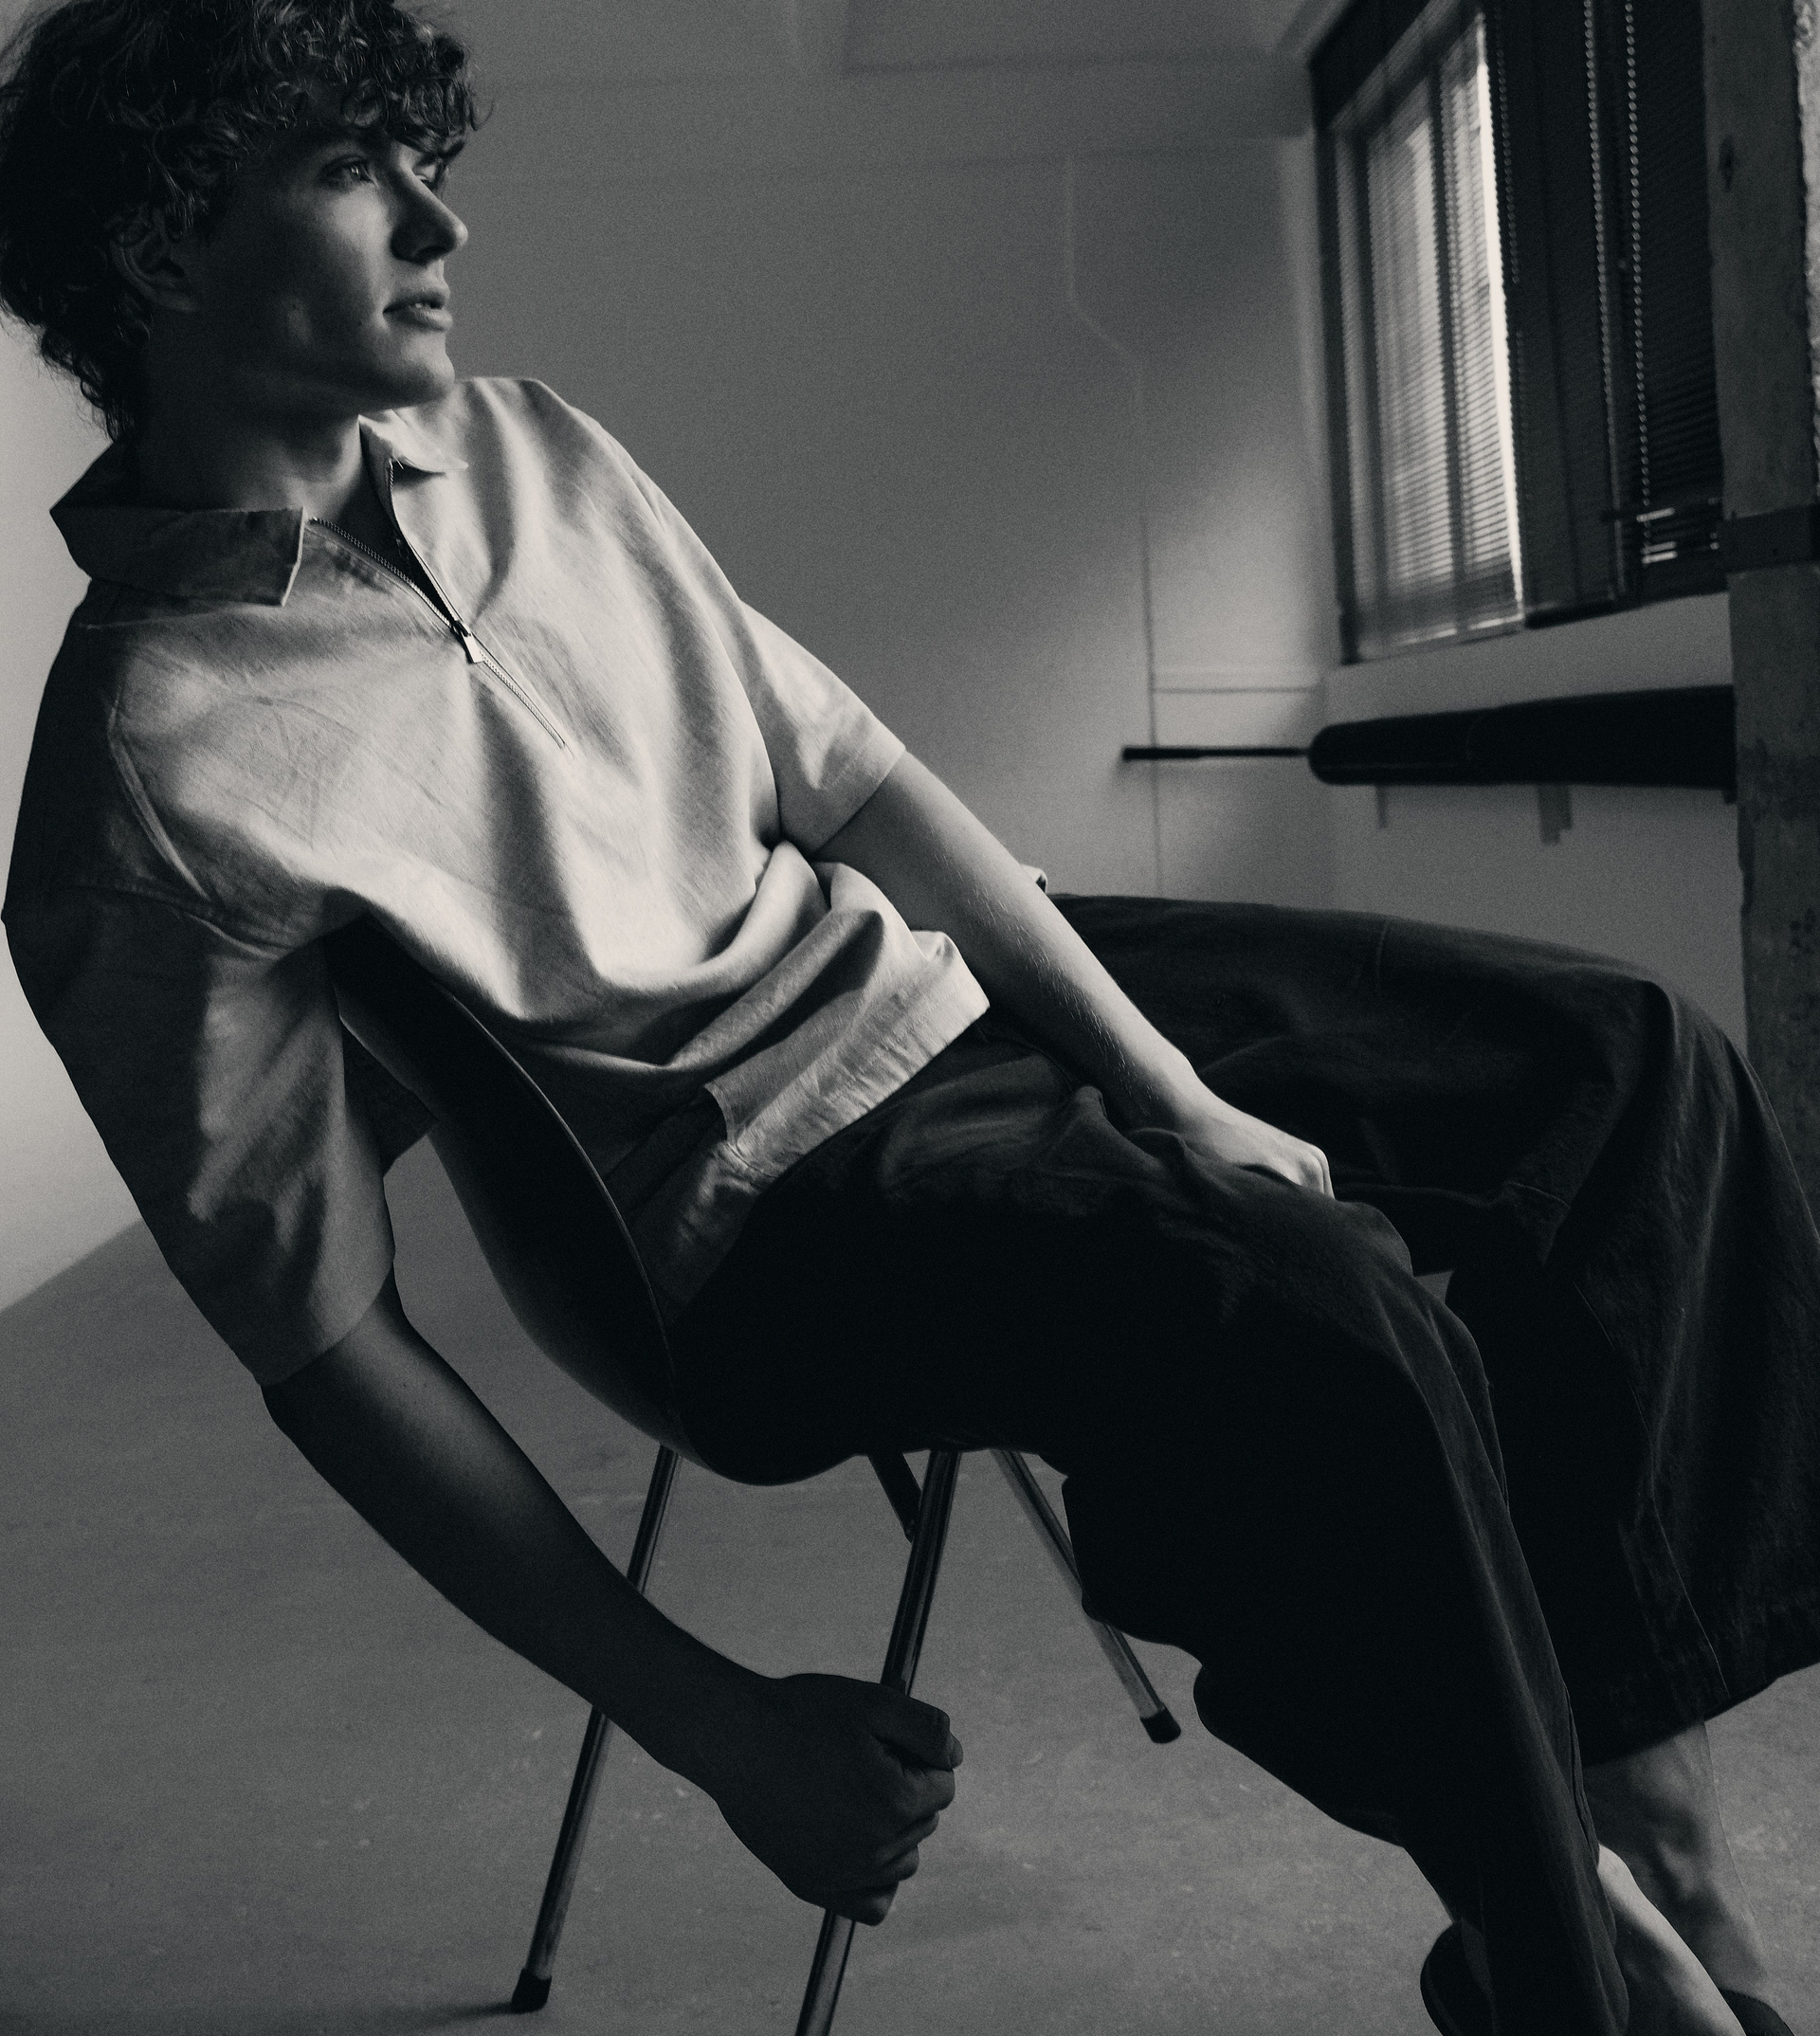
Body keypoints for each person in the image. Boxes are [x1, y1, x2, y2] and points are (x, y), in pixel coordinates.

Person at [0, 4, 1812, 2030]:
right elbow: (330, 1347)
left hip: (920, 993)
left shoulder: (532, 447)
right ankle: (1581, 1974)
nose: (441, 223)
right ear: (162, 245)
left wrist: (1170, 1086)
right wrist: (714, 1727)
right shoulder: (144, 773)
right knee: (1309, 1310)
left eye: (425, 164)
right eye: (352, 173)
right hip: (751, 1228)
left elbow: (853, 782)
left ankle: (1644, 1869)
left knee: (1624, 1074)